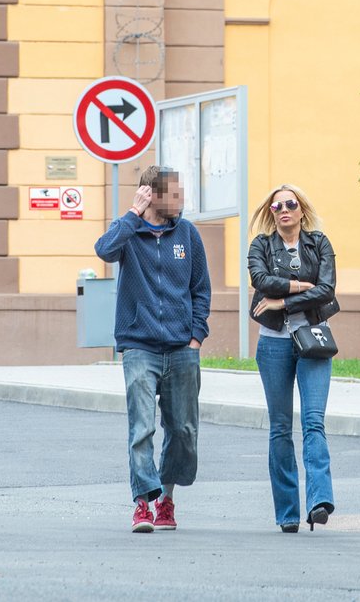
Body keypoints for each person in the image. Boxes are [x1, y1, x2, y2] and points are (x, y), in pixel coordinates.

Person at [94, 166, 211, 534]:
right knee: (142, 427)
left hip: (181, 348)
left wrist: (195, 338)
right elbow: (104, 250)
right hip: (139, 346)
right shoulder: (128, 232)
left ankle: (167, 499)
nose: (181, 200)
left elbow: (201, 289)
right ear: (150, 195)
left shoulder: (187, 234)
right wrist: (132, 214)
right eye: (173, 193)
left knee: (183, 430)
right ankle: (142, 503)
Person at [248, 184, 338, 533]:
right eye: (277, 206)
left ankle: (319, 500)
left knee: (314, 421)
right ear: (271, 213)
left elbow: (327, 289)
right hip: (273, 343)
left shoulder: (320, 243)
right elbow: (261, 280)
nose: (284, 210)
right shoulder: (261, 245)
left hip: (313, 340)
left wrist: (282, 301)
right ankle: (287, 512)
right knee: (281, 428)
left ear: (301, 209)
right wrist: (303, 286)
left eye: (290, 203)